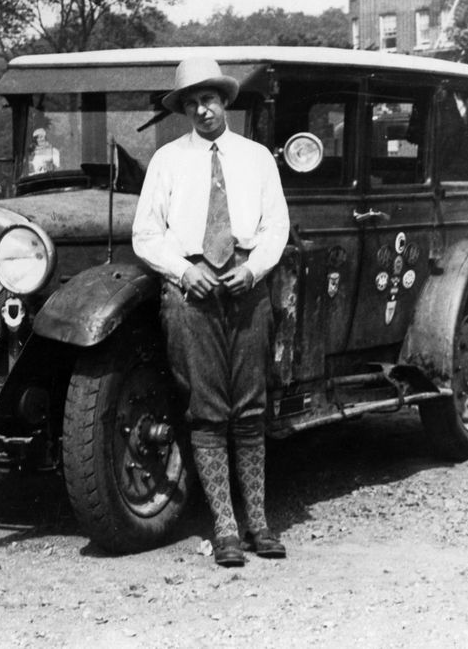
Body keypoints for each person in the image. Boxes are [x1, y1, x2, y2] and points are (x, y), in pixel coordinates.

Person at [132, 58, 290, 567]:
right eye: (192, 102)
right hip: (192, 291)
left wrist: (255, 269)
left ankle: (258, 524)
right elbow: (146, 235)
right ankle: (224, 526)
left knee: (249, 406)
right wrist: (182, 271)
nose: (203, 109)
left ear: (226, 101)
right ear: (182, 109)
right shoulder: (168, 161)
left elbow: (276, 227)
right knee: (206, 408)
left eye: (211, 98)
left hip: (246, 284)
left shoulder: (256, 157)